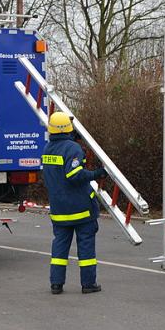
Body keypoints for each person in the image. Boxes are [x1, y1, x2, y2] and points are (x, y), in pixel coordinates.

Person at [42, 112, 106, 295]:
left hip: (59, 209)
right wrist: (96, 174)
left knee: (59, 248)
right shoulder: (73, 149)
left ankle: (56, 284)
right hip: (80, 209)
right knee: (85, 248)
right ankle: (88, 284)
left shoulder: (47, 149)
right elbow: (74, 175)